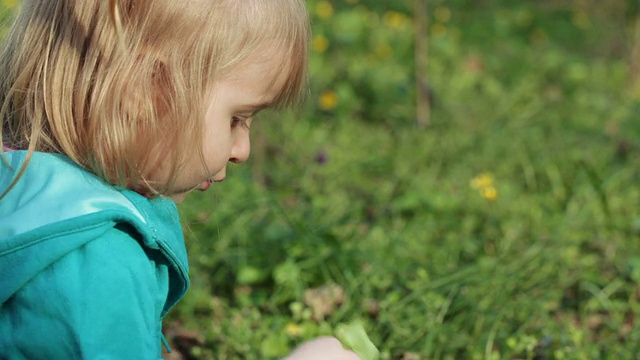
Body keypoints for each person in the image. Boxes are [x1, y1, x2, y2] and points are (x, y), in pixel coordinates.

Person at [0, 0, 359, 358]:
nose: (243, 150)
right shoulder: (99, 266)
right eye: (237, 118)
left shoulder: (22, 195)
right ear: (143, 92)